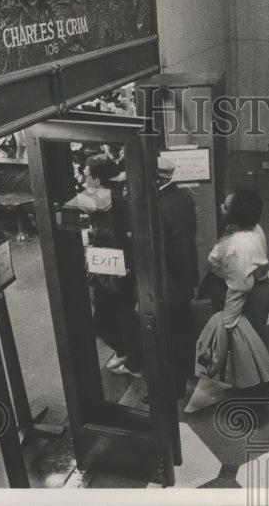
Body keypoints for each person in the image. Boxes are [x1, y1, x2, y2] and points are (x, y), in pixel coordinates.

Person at [194, 188, 269, 395]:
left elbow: (241, 286)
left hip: (246, 294)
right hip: (255, 287)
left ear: (236, 214)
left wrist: (229, 319)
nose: (221, 207)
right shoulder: (249, 228)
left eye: (226, 206)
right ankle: (248, 386)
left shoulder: (238, 244)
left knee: (247, 346)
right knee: (251, 343)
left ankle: (256, 395)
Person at [82, 155, 144, 379]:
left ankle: (135, 360)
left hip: (112, 267)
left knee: (114, 316)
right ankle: (128, 353)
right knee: (117, 314)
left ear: (97, 179)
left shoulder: (101, 198)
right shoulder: (115, 194)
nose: (83, 177)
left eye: (87, 174)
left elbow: (65, 218)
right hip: (113, 265)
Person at [157, 157, 201, 398]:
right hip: (182, 276)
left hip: (170, 280)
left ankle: (176, 386)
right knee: (185, 326)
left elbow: (171, 249)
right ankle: (191, 370)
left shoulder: (161, 205)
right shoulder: (183, 196)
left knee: (173, 334)